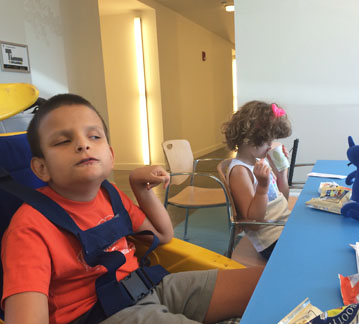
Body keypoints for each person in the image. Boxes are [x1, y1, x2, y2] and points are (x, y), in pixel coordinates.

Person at [1, 94, 263, 324]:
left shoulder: (110, 194)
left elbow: (161, 235)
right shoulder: (29, 228)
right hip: (102, 315)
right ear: (40, 168)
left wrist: (141, 190)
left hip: (151, 286)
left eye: (94, 136)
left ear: (111, 155)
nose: (83, 144)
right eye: (63, 141)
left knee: (267, 283)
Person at [221, 100, 293, 260]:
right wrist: (262, 187)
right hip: (272, 241)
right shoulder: (240, 171)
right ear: (249, 140)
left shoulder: (260, 161)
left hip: (284, 227)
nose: (270, 145)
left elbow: (283, 201)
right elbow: (254, 223)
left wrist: (281, 173)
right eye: (266, 141)